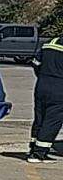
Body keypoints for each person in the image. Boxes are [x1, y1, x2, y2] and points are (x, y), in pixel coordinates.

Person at [32, 32, 63, 162]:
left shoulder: (51, 42)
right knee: (52, 121)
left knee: (40, 118)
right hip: (59, 89)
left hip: (42, 85)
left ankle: (34, 148)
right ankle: (39, 153)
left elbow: (35, 63)